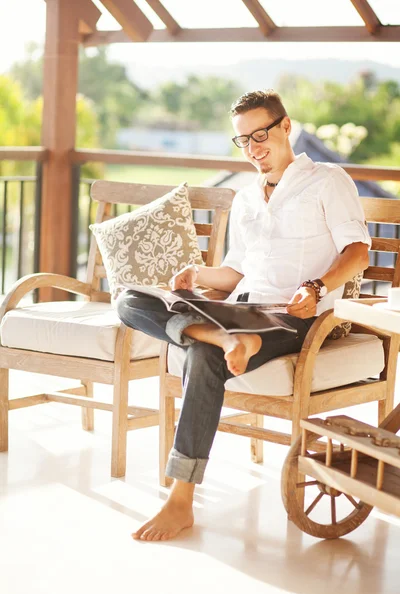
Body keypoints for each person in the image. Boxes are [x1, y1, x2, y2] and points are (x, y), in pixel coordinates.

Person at [116, 89, 371, 542]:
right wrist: (198, 275)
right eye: (243, 140)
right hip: (240, 312)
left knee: (201, 357)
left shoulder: (328, 180)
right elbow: (236, 273)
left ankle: (180, 500)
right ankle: (219, 337)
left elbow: (357, 253)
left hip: (295, 316)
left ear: (285, 127)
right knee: (129, 300)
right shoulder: (246, 198)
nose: (253, 149)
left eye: (260, 135)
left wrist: (316, 287)